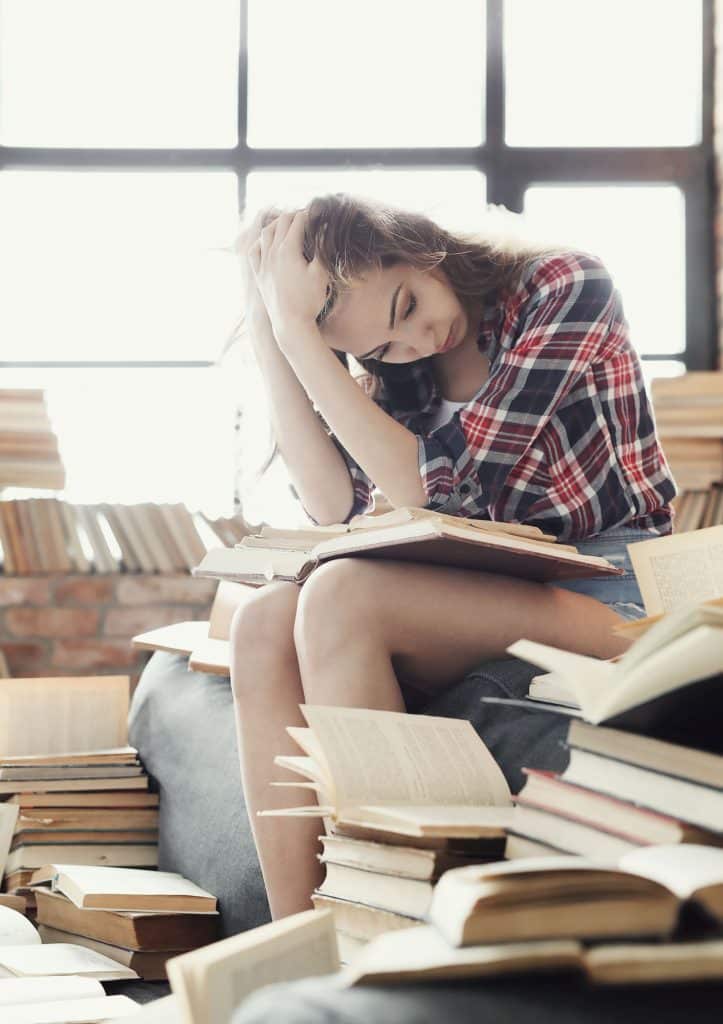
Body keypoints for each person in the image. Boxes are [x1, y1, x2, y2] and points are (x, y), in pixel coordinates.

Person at [229, 194, 676, 919]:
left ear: (417, 244)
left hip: (613, 591)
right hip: (480, 585)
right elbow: (331, 503)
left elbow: (438, 484)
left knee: (342, 595)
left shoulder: (565, 285)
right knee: (262, 621)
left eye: (407, 305)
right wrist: (272, 330)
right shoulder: (406, 365)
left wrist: (299, 335)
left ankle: (382, 926)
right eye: (383, 350)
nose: (420, 340)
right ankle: (303, 944)